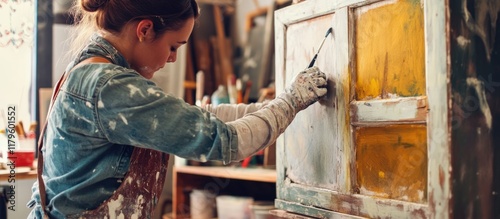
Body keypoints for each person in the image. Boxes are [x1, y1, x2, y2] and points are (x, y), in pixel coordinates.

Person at [28, 0, 328, 218]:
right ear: (145, 30)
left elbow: (196, 120)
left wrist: (275, 105)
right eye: (174, 46)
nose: (172, 58)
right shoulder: (109, 85)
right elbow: (225, 141)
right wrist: (289, 103)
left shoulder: (89, 70)